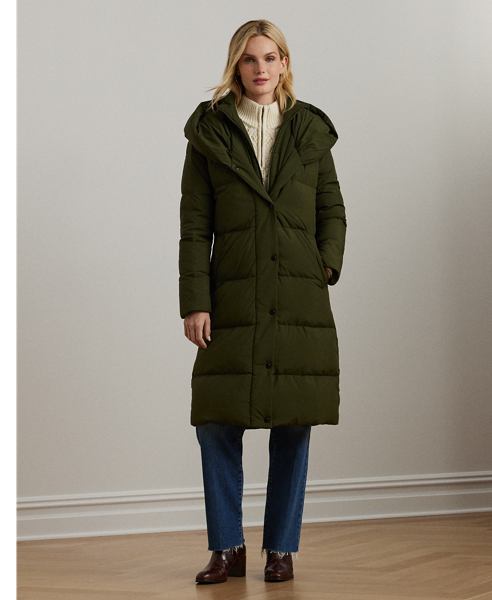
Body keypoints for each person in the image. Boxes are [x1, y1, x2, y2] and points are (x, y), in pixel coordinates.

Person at [178, 19, 347, 584]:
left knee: (292, 423)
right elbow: (195, 224)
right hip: (232, 295)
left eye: (270, 58)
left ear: (284, 63)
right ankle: (226, 546)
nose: (260, 69)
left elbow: (332, 208)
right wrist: (195, 301)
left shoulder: (309, 130)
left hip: (297, 295)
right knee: (216, 422)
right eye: (249, 59)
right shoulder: (210, 132)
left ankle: (281, 548)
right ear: (236, 65)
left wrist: (322, 267)